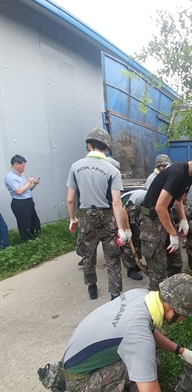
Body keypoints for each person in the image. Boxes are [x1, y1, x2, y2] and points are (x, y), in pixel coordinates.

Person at [61, 273, 192, 392]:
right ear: (174, 310)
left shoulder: (141, 295)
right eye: (184, 316)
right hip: (79, 381)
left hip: (75, 356)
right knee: (152, 363)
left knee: (148, 354)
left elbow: (147, 331)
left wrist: (180, 351)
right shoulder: (138, 338)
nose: (182, 320)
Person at [140, 146, 192, 290]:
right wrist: (173, 233)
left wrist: (183, 219)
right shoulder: (177, 173)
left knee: (176, 264)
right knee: (158, 271)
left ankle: (173, 299)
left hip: (165, 217)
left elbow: (178, 201)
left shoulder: (189, 176)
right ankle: (156, 307)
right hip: (151, 221)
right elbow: (160, 207)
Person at [66, 128, 129, 301]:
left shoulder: (75, 167)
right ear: (107, 148)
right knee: (113, 257)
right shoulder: (113, 171)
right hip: (108, 218)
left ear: (88, 145)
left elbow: (70, 199)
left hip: (86, 218)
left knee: (88, 254)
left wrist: (73, 218)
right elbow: (117, 202)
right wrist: (122, 230)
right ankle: (115, 295)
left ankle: (92, 287)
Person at [4, 155, 41, 242]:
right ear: (16, 164)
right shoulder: (9, 177)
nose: (24, 168)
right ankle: (26, 240)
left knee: (34, 220)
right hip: (20, 203)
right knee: (25, 223)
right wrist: (28, 182)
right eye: (23, 166)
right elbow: (19, 191)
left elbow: (28, 189)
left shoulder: (21, 176)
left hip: (28, 201)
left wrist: (34, 183)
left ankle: (36, 236)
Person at [120, 188, 147, 281]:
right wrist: (127, 230)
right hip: (121, 216)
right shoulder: (140, 197)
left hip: (134, 217)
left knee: (138, 239)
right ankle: (130, 269)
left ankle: (136, 264)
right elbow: (123, 212)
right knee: (127, 244)